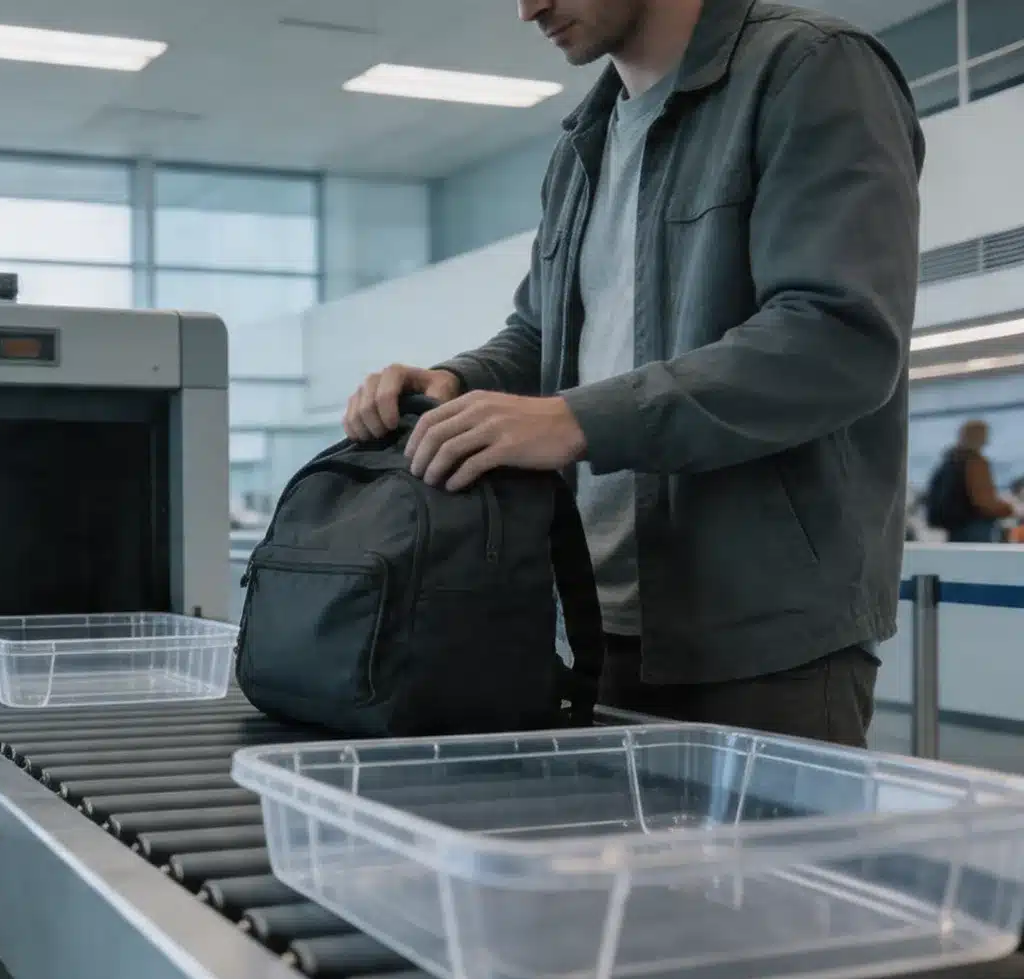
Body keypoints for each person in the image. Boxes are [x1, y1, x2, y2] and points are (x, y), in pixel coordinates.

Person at [342, 0, 923, 747]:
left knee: (748, 870)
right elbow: (542, 334)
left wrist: (580, 420)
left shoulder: (811, 71)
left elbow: (838, 339)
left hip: (762, 644)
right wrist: (457, 380)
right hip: (593, 626)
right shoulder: (583, 144)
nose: (528, 9)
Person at [923, 420, 1013, 543]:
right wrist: (1010, 509)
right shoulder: (975, 463)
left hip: (954, 528)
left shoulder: (950, 461)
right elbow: (985, 503)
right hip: (975, 528)